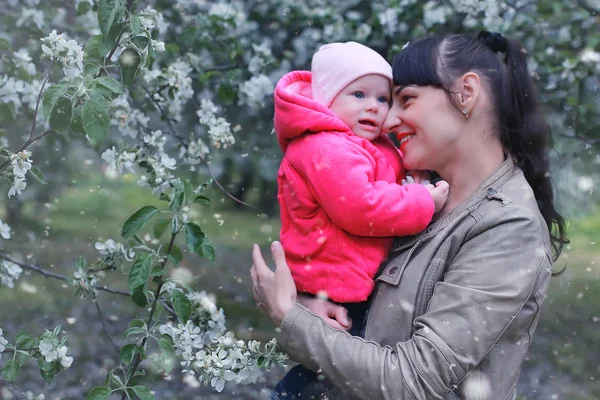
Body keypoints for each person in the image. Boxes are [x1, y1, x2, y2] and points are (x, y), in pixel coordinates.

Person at [251, 31, 568, 400]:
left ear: (466, 93)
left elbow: (414, 381)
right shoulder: (414, 189)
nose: (387, 120)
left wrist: (291, 319)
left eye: (405, 99)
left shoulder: (510, 227)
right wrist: (314, 301)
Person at [271, 41, 449, 398]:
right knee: (329, 367)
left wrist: (412, 180)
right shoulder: (324, 146)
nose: (373, 106)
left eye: (383, 99)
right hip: (332, 281)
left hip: (350, 278)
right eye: (358, 94)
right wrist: (420, 200)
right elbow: (360, 207)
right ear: (326, 98)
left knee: (335, 366)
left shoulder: (363, 143)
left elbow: (387, 177)